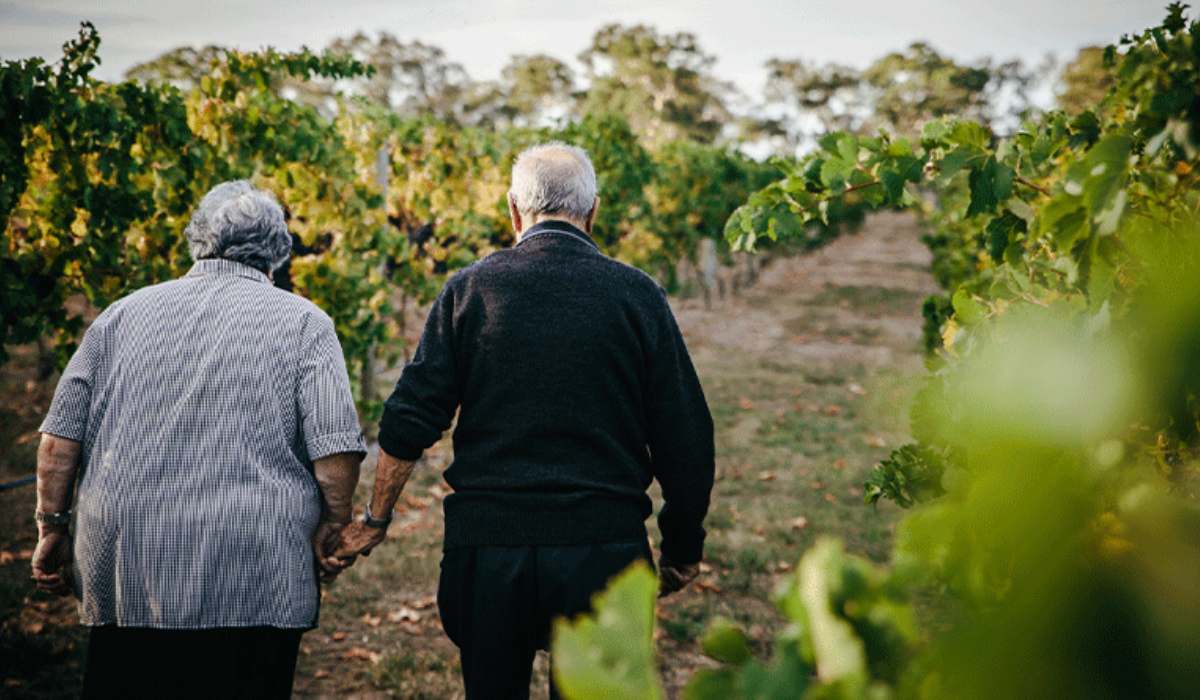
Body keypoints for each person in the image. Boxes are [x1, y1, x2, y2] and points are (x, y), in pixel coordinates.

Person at [334, 143, 715, 699]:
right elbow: (687, 440)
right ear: (593, 212)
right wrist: (682, 547)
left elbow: (408, 419)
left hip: (488, 554)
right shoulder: (638, 297)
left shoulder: (469, 290)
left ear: (513, 211)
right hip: (602, 554)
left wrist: (375, 518)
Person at [31, 180, 366, 699]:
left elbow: (58, 443)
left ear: (197, 242)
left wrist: (51, 526)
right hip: (256, 568)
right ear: (278, 253)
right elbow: (335, 450)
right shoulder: (305, 323)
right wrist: (334, 524)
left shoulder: (121, 315)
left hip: (128, 565)